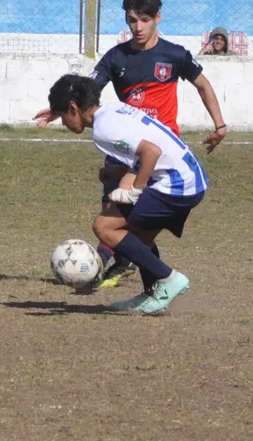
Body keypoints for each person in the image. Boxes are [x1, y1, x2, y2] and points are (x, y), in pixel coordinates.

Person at [34, 0, 226, 289]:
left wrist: (220, 126)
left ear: (157, 18)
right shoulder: (116, 58)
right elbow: (86, 91)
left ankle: (107, 264)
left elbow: (203, 85)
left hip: (159, 153)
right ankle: (131, 271)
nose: (138, 27)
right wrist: (60, 108)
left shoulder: (174, 54)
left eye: (144, 20)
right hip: (125, 148)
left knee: (119, 220)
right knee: (118, 214)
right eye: (132, 21)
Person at [47, 74, 207, 314]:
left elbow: (150, 152)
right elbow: (140, 151)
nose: (62, 123)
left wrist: (134, 191)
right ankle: (153, 292)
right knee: (138, 237)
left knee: (104, 227)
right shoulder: (114, 109)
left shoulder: (102, 130)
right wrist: (115, 172)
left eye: (61, 116)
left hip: (177, 184)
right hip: (190, 177)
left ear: (73, 108)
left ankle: (169, 278)